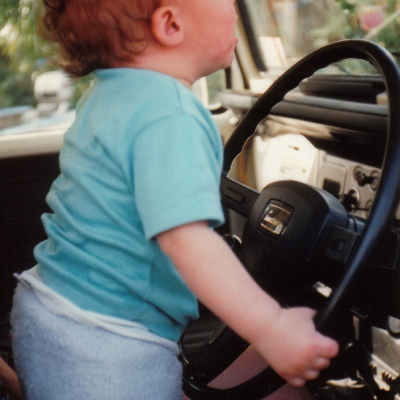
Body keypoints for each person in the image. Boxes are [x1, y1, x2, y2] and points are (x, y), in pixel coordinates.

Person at [10, 0, 339, 399]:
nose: (235, 8)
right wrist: (273, 329)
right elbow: (186, 241)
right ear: (170, 25)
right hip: (105, 343)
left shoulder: (110, 93)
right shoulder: (171, 114)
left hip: (51, 311)